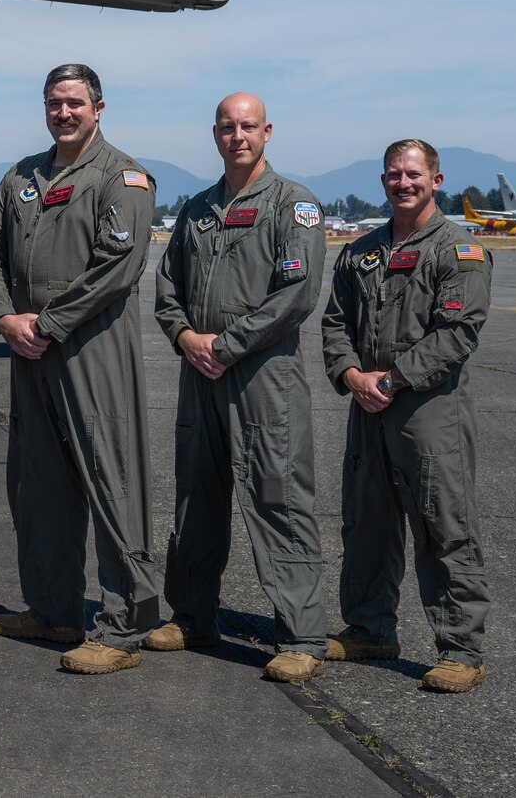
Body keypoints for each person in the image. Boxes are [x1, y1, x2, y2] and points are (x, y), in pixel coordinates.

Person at [0, 63, 160, 674]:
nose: (63, 112)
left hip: (91, 350)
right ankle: (52, 610)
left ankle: (123, 624)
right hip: (29, 351)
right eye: (54, 102)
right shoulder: (20, 177)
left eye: (74, 103)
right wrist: (5, 320)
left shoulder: (122, 177)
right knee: (38, 487)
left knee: (111, 481)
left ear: (99, 107)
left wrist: (47, 324)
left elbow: (118, 266)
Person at [149, 93, 328, 683]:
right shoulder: (199, 209)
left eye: (248, 126)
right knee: (196, 498)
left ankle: (300, 635)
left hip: (262, 377)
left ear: (267, 131)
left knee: (278, 496)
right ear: (215, 133)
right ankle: (193, 615)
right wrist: (185, 339)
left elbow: (295, 297)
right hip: (198, 374)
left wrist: (223, 345)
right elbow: (167, 286)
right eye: (227, 127)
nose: (237, 136)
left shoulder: (293, 205)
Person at [322, 139, 493, 693]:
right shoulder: (359, 252)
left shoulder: (458, 251)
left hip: (427, 411)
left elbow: (457, 333)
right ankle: (370, 628)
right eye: (394, 175)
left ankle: (460, 649)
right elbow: (334, 324)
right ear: (383, 180)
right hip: (368, 407)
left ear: (435, 180)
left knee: (443, 524)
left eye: (414, 174)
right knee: (366, 523)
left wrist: (391, 381)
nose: (403, 183)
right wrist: (352, 377)